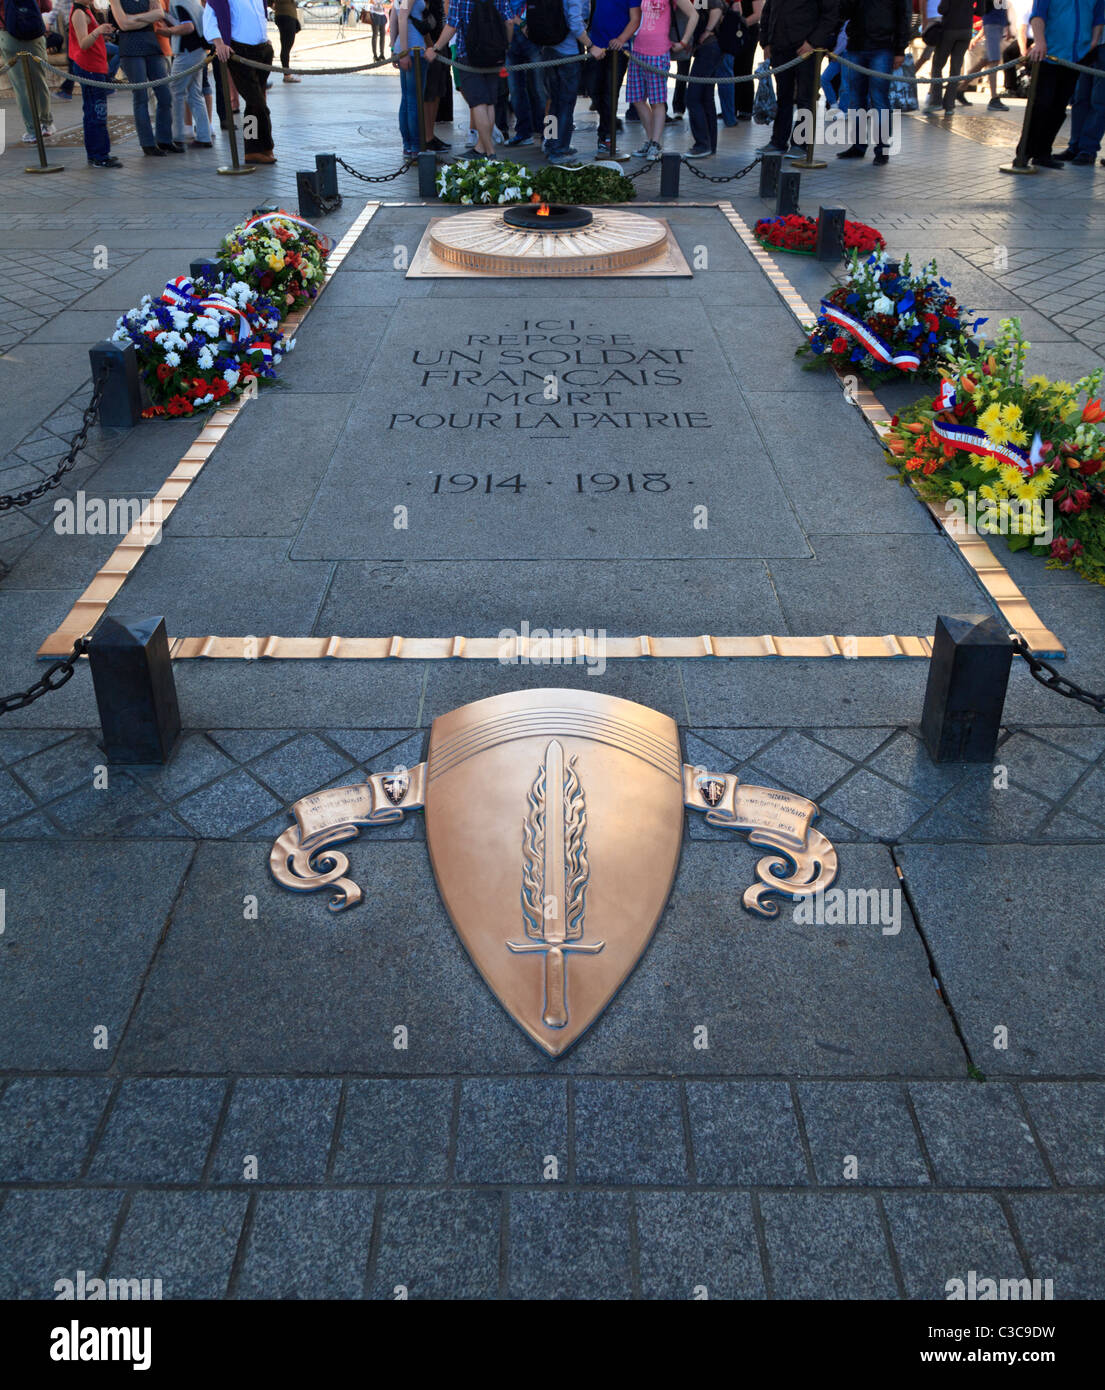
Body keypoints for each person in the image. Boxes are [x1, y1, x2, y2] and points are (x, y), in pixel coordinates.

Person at [425, 0, 513, 158]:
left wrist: (436, 47)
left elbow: (452, 25)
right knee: (489, 103)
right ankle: (481, 147)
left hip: (469, 55)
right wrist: (504, 46)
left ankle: (490, 151)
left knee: (478, 103)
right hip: (494, 54)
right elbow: (509, 22)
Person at [1021, 0, 1104, 167]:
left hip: (1076, 57)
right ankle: (1024, 152)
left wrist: (1093, 42)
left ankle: (1043, 153)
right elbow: (1037, 15)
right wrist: (1040, 41)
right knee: (1041, 105)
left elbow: (1098, 16)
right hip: (1049, 54)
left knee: (1059, 108)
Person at [758, 0, 839, 155]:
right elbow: (768, 11)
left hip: (806, 49)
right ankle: (778, 141)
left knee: (805, 98)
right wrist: (766, 42)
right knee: (783, 97)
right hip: (780, 48)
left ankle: (800, 144)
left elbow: (830, 15)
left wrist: (812, 42)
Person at [835, 0, 909, 163]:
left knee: (879, 99)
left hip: (882, 47)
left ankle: (882, 149)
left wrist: (900, 49)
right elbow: (843, 11)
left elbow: (903, 16)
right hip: (856, 45)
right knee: (856, 99)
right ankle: (858, 145)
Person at [203, 0, 276, 162]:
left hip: (261, 50)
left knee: (254, 104)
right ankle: (262, 147)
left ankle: (254, 150)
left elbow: (259, 16)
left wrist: (265, 38)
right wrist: (219, 43)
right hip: (240, 51)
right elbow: (210, 17)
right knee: (257, 103)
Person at [627, 0, 698, 157]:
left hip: (659, 52)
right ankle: (651, 140)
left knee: (657, 101)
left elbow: (694, 14)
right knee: (637, 99)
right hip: (638, 50)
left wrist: (684, 42)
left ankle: (656, 143)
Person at [527, 0, 594, 163]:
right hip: (569, 53)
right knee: (565, 103)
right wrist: (591, 45)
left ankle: (551, 143)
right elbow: (575, 23)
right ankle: (559, 149)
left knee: (554, 102)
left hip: (549, 50)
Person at [108, 0, 174, 151]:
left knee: (165, 95)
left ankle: (164, 139)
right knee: (141, 97)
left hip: (152, 46)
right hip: (130, 49)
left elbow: (159, 13)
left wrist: (134, 18)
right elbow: (123, 24)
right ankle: (147, 143)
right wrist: (148, 17)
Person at [69, 0, 122, 162]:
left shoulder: (86, 10)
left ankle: (100, 152)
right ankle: (98, 155)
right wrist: (98, 30)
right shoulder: (79, 13)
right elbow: (83, 43)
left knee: (97, 112)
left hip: (96, 67)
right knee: (95, 113)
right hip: (89, 67)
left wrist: (101, 32)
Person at [1, 0, 58, 143]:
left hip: (9, 35)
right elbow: (47, 7)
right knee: (40, 81)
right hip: (34, 36)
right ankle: (46, 124)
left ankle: (33, 131)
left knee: (21, 86)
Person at [590, 0, 640, 151]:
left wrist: (621, 39)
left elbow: (635, 18)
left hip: (618, 50)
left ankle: (606, 136)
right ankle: (610, 124)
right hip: (596, 46)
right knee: (592, 88)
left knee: (610, 93)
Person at [165, 0, 211, 145]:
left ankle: (177, 136)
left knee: (176, 93)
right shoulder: (193, 2)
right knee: (195, 94)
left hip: (187, 52)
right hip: (199, 51)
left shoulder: (178, 3)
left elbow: (187, 26)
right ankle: (204, 136)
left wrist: (168, 31)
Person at [1055, 32, 1105, 162]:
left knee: (1099, 101)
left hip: (1100, 45)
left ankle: (1088, 149)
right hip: (1086, 43)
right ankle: (1075, 147)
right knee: (1080, 98)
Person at [504, 0, 547, 145]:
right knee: (515, 91)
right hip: (510, 40)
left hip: (533, 37)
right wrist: (518, 21)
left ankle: (548, 135)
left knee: (542, 91)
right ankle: (523, 132)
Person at [684, 0, 724, 154]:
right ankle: (709, 145)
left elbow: (717, 8)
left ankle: (702, 144)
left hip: (710, 47)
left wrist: (707, 30)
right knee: (706, 98)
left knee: (693, 97)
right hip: (708, 48)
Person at [926, 0, 973, 109]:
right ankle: (949, 105)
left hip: (949, 28)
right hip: (966, 30)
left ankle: (936, 101)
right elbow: (980, 11)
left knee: (938, 64)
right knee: (956, 68)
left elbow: (942, 9)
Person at [731, 0, 762, 117]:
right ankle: (732, 107)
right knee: (733, 70)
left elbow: (758, 14)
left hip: (748, 32)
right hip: (734, 33)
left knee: (745, 68)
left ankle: (746, 109)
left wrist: (741, 24)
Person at [271, 0, 300, 79]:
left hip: (281, 15)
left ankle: (286, 72)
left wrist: (273, 5)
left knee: (286, 45)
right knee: (286, 47)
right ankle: (287, 74)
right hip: (287, 16)